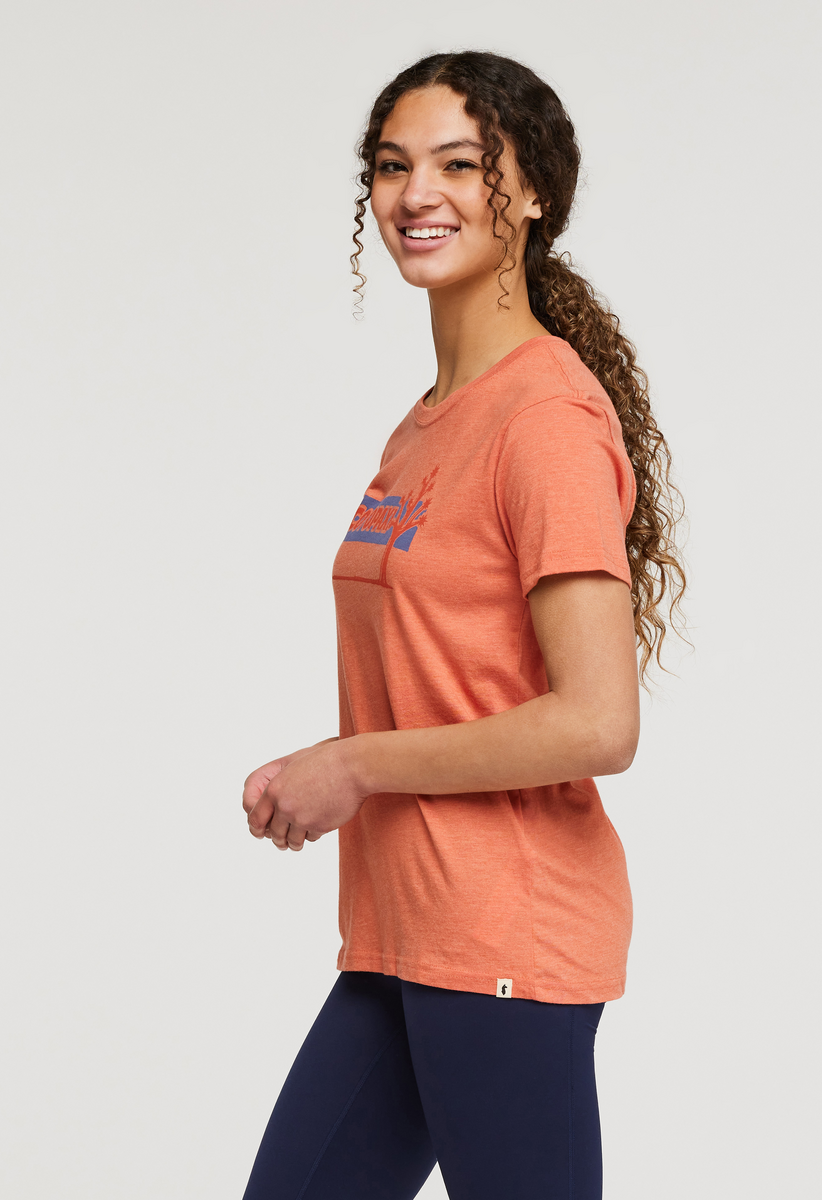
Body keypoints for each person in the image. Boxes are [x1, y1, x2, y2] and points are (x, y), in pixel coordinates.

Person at [239, 50, 685, 1200]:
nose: (416, 194)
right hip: (404, 932)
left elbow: (598, 722)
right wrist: (336, 760)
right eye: (393, 166)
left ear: (529, 192)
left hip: (502, 942)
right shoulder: (432, 423)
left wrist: (355, 765)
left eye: (458, 164)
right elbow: (451, 671)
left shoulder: (545, 419)